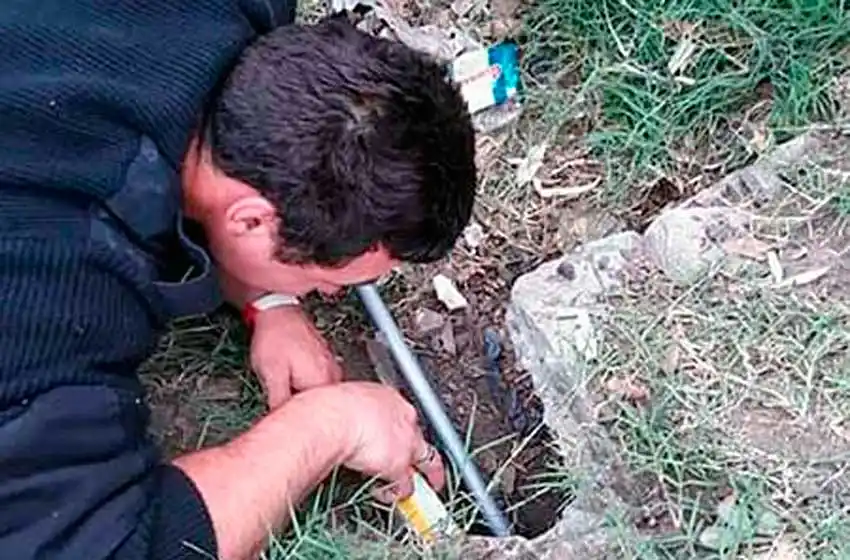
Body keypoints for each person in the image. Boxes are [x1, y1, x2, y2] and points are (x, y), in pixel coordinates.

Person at [0, 2, 476, 559]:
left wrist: (268, 298)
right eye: (327, 283)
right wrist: (331, 426)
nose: (327, 296)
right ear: (250, 220)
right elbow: (103, 546)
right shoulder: (45, 287)